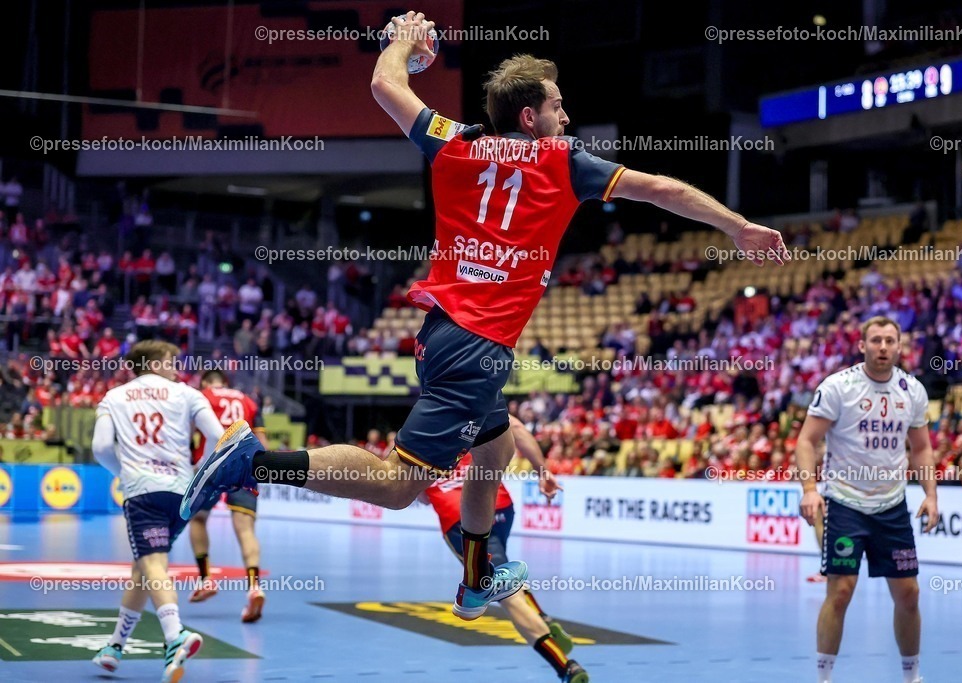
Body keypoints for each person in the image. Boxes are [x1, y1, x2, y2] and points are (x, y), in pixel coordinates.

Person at [180, 10, 790, 625]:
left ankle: (476, 577)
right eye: (558, 106)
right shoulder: (565, 161)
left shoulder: (456, 139)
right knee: (398, 486)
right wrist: (737, 227)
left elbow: (384, 87)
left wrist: (400, 44)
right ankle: (251, 461)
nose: (566, 116)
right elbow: (662, 189)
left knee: (494, 451)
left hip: (446, 331)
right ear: (531, 118)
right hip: (478, 343)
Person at [796, 316, 938, 683]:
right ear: (862, 346)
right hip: (845, 502)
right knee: (841, 591)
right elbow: (806, 441)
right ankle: (823, 678)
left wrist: (931, 495)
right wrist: (810, 490)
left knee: (908, 594)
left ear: (900, 346)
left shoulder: (913, 390)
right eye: (875, 340)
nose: (883, 347)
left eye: (890, 341)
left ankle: (912, 676)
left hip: (891, 506)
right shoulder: (838, 387)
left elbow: (921, 449)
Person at [90, 340, 225, 682]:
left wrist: (124, 472)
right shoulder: (188, 394)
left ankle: (174, 634)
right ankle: (115, 646)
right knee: (145, 568)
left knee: (152, 564)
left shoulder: (113, 397)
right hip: (181, 493)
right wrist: (199, 469)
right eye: (171, 361)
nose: (176, 369)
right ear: (153, 362)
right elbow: (218, 435)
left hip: (142, 491)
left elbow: (102, 447)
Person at [421, 416, 587, 682]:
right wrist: (542, 470)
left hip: (461, 518)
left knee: (505, 595)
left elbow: (415, 493)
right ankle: (542, 614)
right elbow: (518, 429)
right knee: (502, 569)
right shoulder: (476, 410)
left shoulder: (423, 430)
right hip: (499, 504)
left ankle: (566, 667)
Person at [187, 370, 268, 623]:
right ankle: (255, 587)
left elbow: (189, 435)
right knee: (245, 529)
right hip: (245, 467)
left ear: (205, 383)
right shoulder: (248, 400)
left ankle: (206, 579)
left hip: (210, 466)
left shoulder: (201, 397)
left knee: (198, 520)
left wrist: (192, 463)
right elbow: (262, 441)